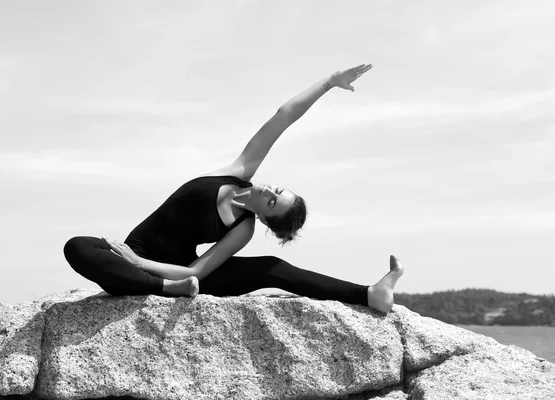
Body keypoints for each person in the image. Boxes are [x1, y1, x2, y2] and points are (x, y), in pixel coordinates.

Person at [63, 63, 404, 313]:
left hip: (179, 272)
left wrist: (143, 263)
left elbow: (197, 271)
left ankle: (369, 293)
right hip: (136, 261)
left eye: (272, 202)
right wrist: (330, 82)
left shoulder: (242, 229)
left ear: (266, 217)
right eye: (277, 190)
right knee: (77, 247)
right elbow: (283, 117)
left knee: (273, 267)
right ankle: (166, 290)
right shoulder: (239, 171)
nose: (268, 191)